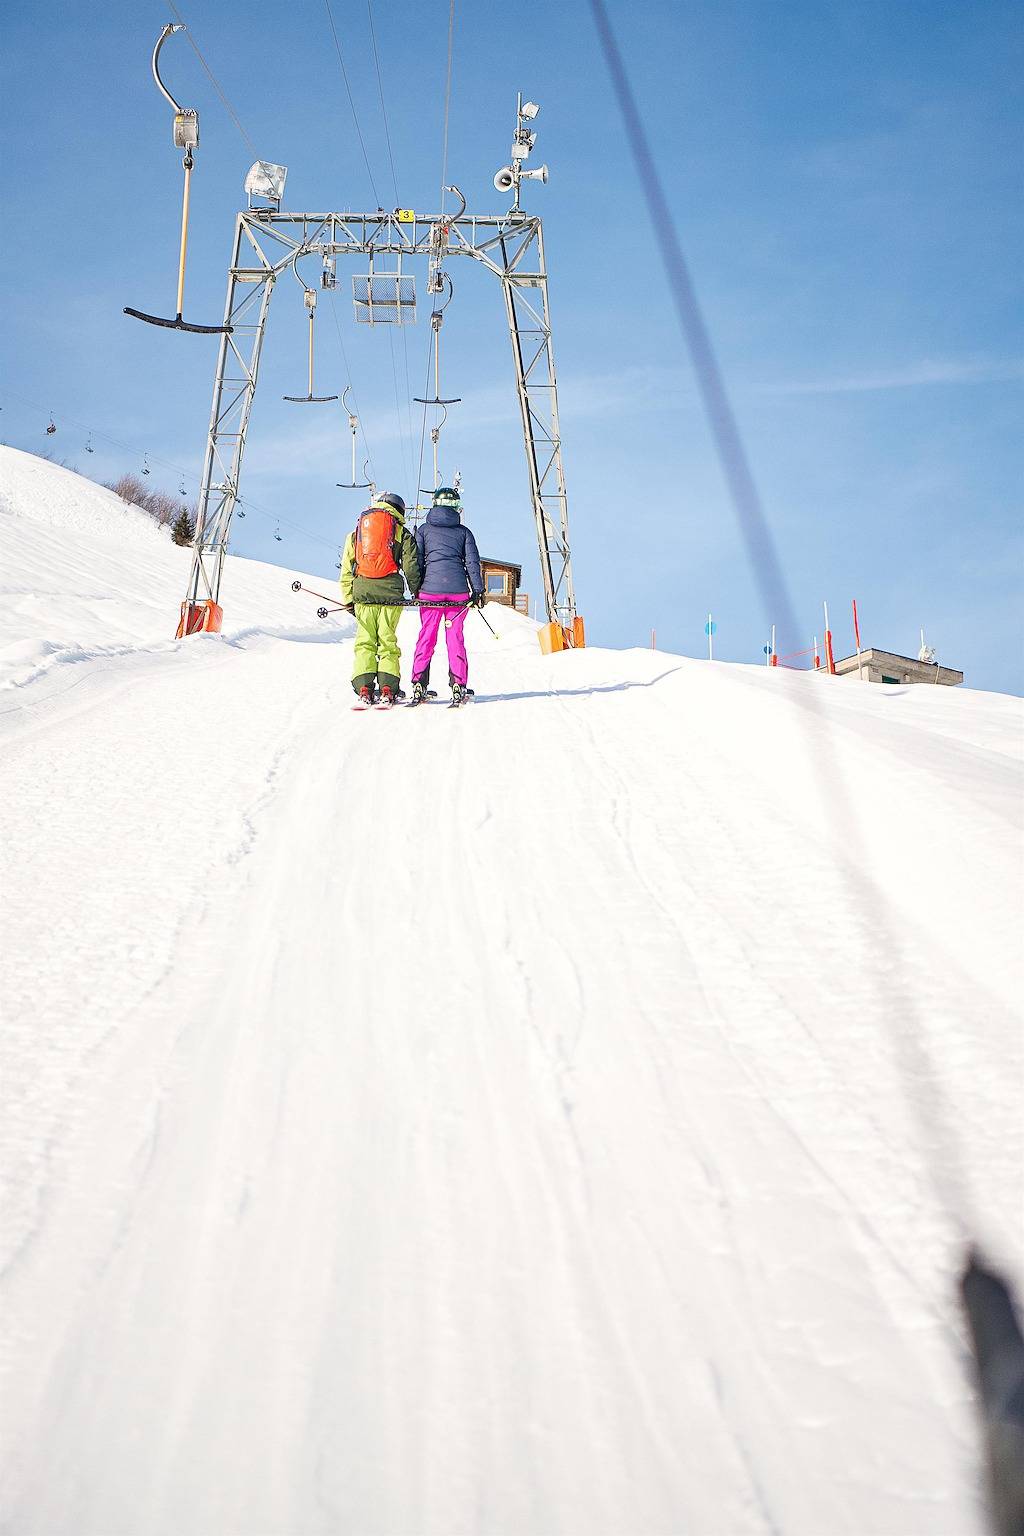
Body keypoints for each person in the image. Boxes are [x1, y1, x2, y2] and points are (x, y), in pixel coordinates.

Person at [339, 490, 421, 707]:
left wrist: (348, 599)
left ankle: (364, 689)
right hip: (391, 596)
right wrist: (416, 592)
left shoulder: (357, 532)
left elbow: (347, 569)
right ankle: (387, 689)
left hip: (363, 594)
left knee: (364, 642)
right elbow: (410, 566)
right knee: (387, 641)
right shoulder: (401, 532)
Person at [410, 486, 485, 706]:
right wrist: (477, 590)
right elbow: (472, 562)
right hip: (458, 594)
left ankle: (419, 683)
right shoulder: (464, 532)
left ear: (434, 504)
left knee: (427, 636)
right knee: (455, 638)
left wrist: (416, 588)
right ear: (456, 507)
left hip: (430, 593)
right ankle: (458, 685)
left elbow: (417, 561)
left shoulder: (423, 530)